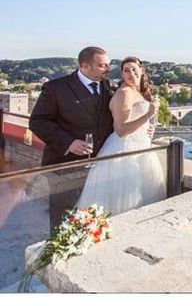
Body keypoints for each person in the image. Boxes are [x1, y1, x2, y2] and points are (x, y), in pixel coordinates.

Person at [30, 46, 115, 234]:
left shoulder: (108, 86)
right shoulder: (56, 88)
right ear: (85, 66)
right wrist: (69, 143)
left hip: (99, 165)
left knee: (92, 216)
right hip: (64, 166)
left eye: (109, 64)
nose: (108, 69)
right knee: (63, 218)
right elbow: (38, 122)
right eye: (102, 66)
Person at [76, 56, 165, 215]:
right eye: (126, 70)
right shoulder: (124, 93)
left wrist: (150, 126)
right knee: (123, 202)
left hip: (140, 149)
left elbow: (136, 120)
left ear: (142, 71)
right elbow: (121, 130)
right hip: (124, 152)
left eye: (134, 69)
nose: (131, 73)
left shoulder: (136, 92)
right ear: (122, 74)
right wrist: (149, 114)